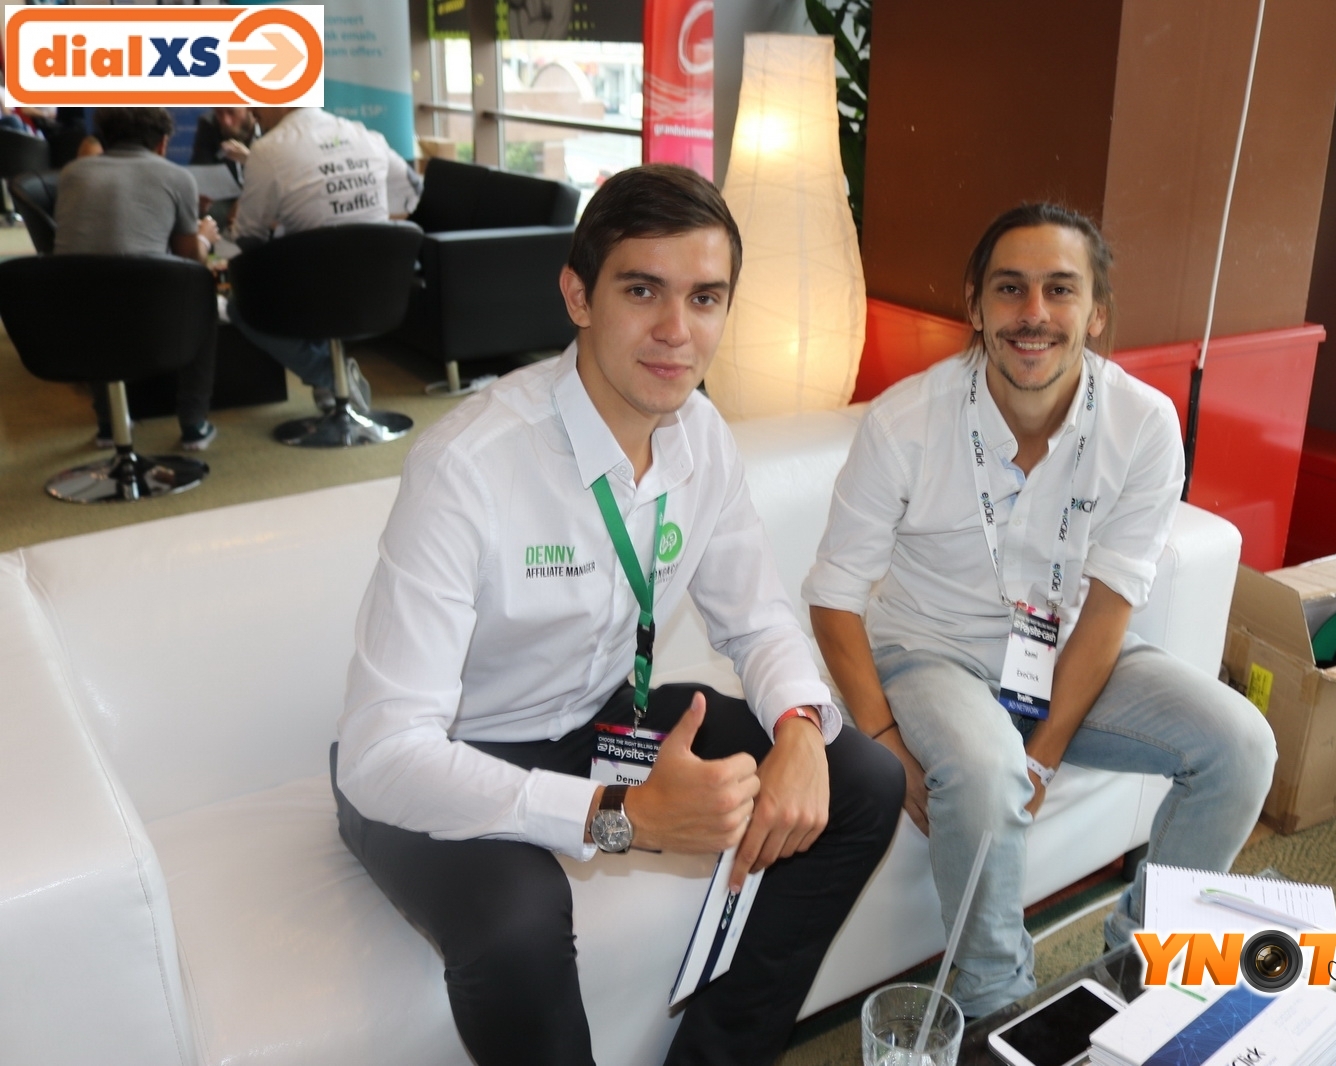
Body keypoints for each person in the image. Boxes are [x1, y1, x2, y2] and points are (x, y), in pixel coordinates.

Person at [333, 163, 904, 1066]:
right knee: (519, 921)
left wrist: (799, 724)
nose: (677, 331)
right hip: (444, 760)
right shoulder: (469, 465)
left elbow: (756, 618)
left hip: (599, 721)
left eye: (705, 297)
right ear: (578, 295)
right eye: (643, 290)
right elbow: (381, 754)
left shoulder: (701, 438)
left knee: (863, 779)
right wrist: (620, 816)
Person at [803, 203, 1277, 1017]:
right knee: (986, 771)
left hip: (1068, 653)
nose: (1033, 313)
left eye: (1060, 289)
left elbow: (1110, 605)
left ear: (1096, 313)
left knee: (1241, 745)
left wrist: (1045, 755)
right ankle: (996, 1005)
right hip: (931, 652)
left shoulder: (1143, 424)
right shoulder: (904, 422)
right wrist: (882, 739)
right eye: (1009, 288)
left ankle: (1141, 972)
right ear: (974, 306)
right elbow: (833, 598)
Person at [227, 106, 422, 414]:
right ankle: (333, 393)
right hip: (380, 292)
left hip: (311, 297)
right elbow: (414, 191)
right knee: (310, 271)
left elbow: (248, 238)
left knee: (239, 306)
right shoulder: (366, 136)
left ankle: (328, 375)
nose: (252, 111)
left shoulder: (268, 150)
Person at [54, 107, 220, 451]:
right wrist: (204, 237)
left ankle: (108, 423)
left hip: (72, 326)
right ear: (162, 144)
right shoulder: (177, 177)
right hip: (151, 329)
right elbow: (191, 261)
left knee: (94, 291)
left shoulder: (71, 173)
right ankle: (193, 425)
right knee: (204, 296)